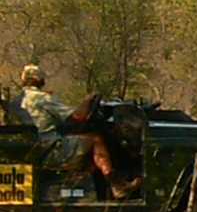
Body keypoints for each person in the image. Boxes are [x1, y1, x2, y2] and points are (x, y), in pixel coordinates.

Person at [9, 64, 140, 199]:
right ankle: (115, 185)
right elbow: (79, 116)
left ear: (23, 81)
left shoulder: (16, 102)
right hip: (50, 151)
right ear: (41, 81)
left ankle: (96, 190)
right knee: (97, 139)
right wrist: (88, 100)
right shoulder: (43, 98)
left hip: (30, 151)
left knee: (81, 141)